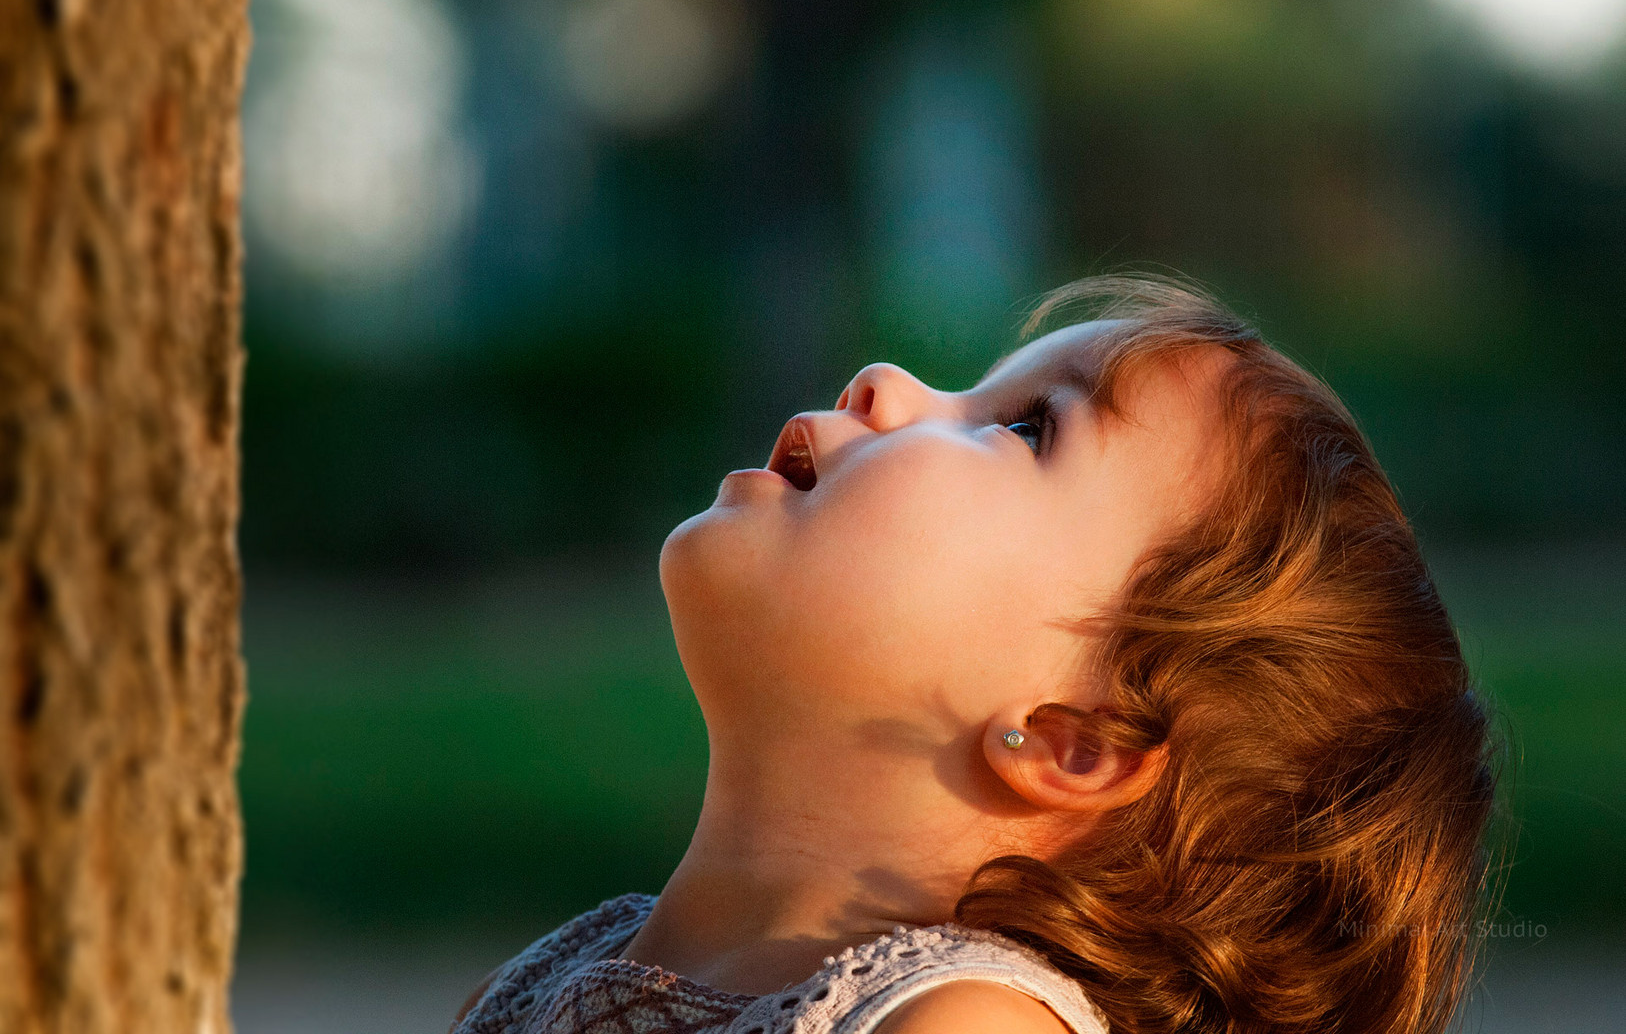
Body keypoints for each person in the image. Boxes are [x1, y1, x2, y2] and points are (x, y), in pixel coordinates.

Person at [450, 275, 1500, 1034]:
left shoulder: (962, 1022)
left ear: (1071, 739)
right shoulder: (536, 987)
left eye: (1026, 427)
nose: (884, 382)